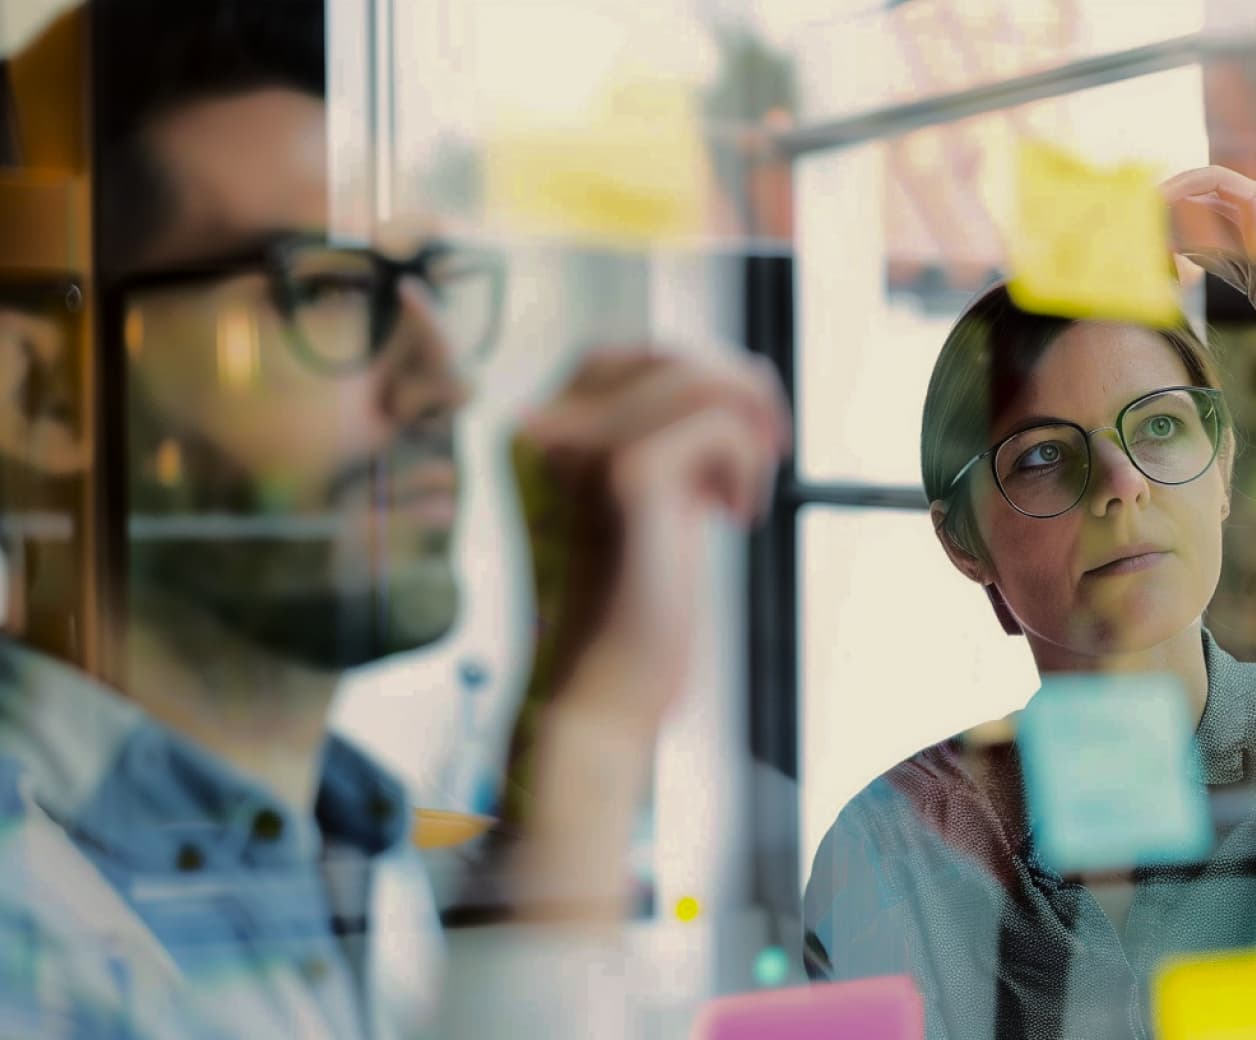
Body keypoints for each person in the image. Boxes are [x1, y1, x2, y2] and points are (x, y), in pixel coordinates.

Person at [0, 2, 789, 1036]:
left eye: (428, 285)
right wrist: (583, 756)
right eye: (324, 290)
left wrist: (576, 732)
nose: (444, 383)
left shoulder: (355, 854)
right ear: (41, 398)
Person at [804, 167, 1256, 1039]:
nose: (1123, 484)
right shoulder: (895, 847)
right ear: (962, 541)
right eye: (1047, 455)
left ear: (1224, 470)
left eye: (1161, 425)